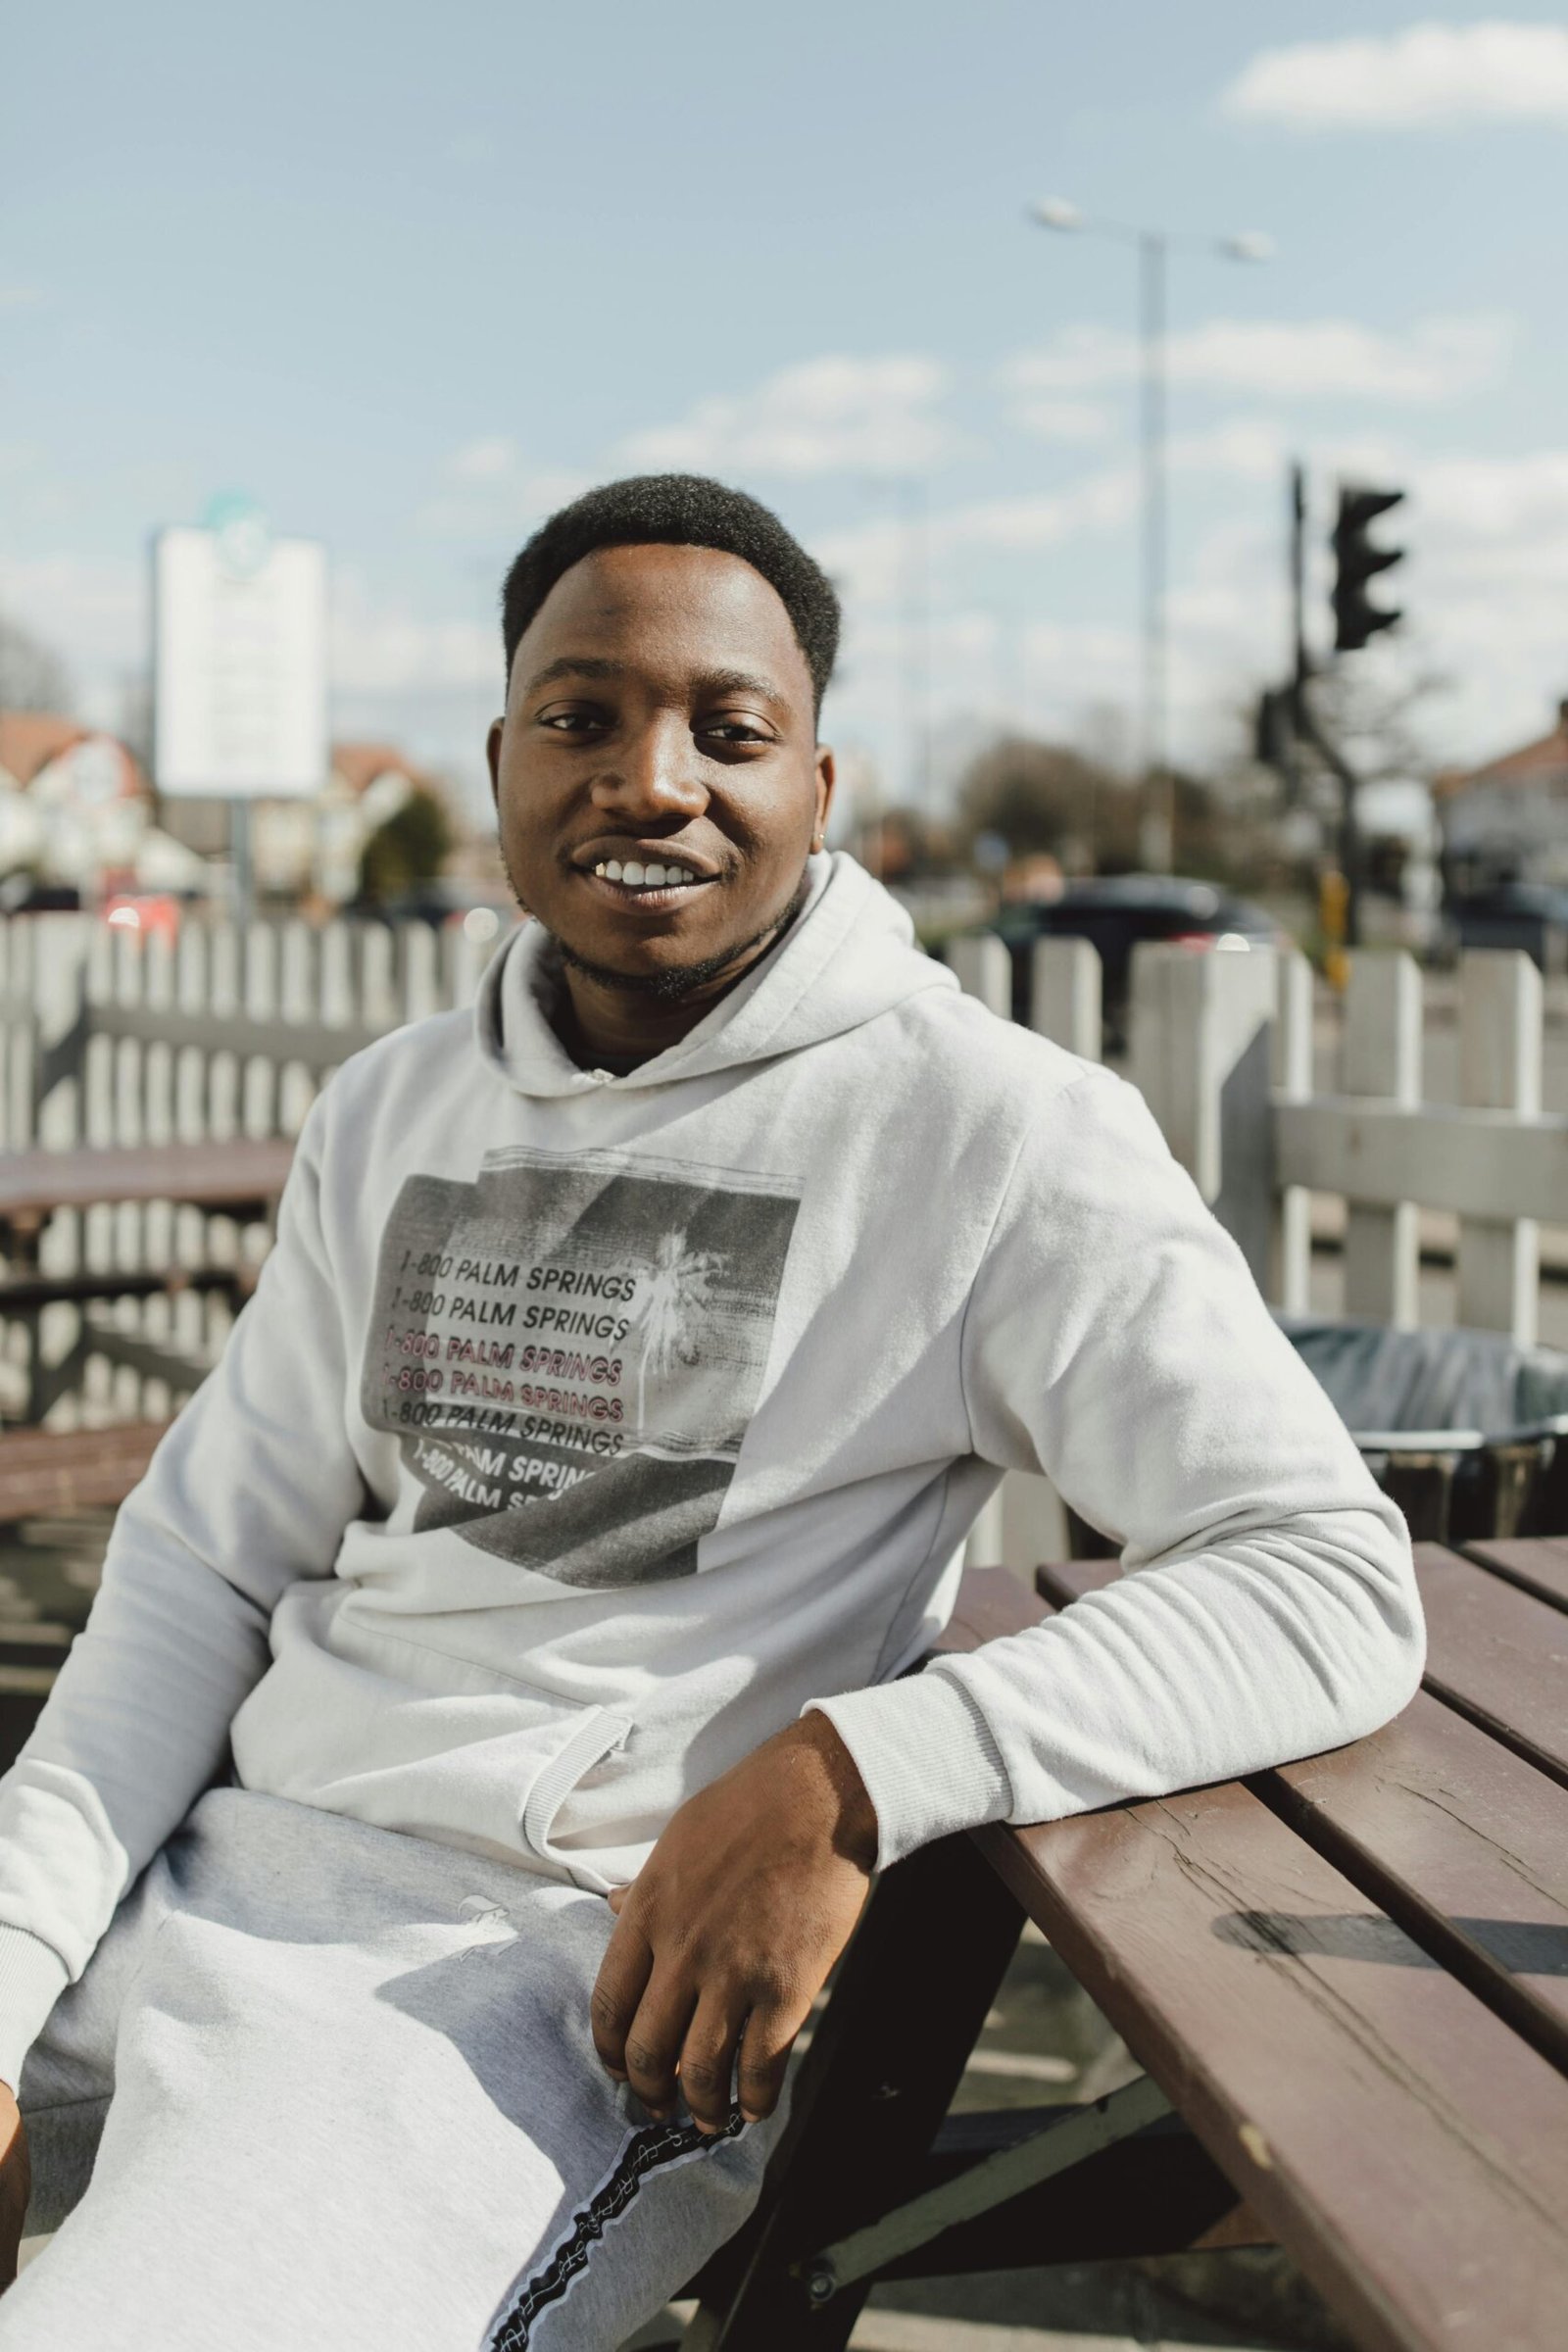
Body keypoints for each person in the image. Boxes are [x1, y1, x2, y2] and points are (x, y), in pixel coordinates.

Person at [0, 476, 1422, 2349]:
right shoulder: (392, 1108)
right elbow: (198, 1571)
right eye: (580, 718)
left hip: (524, 1981)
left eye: (728, 731)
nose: (650, 780)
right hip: (202, 1877)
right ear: (502, 761)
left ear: (819, 787)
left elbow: (1323, 1577)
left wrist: (852, 1777)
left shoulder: (990, 1133)